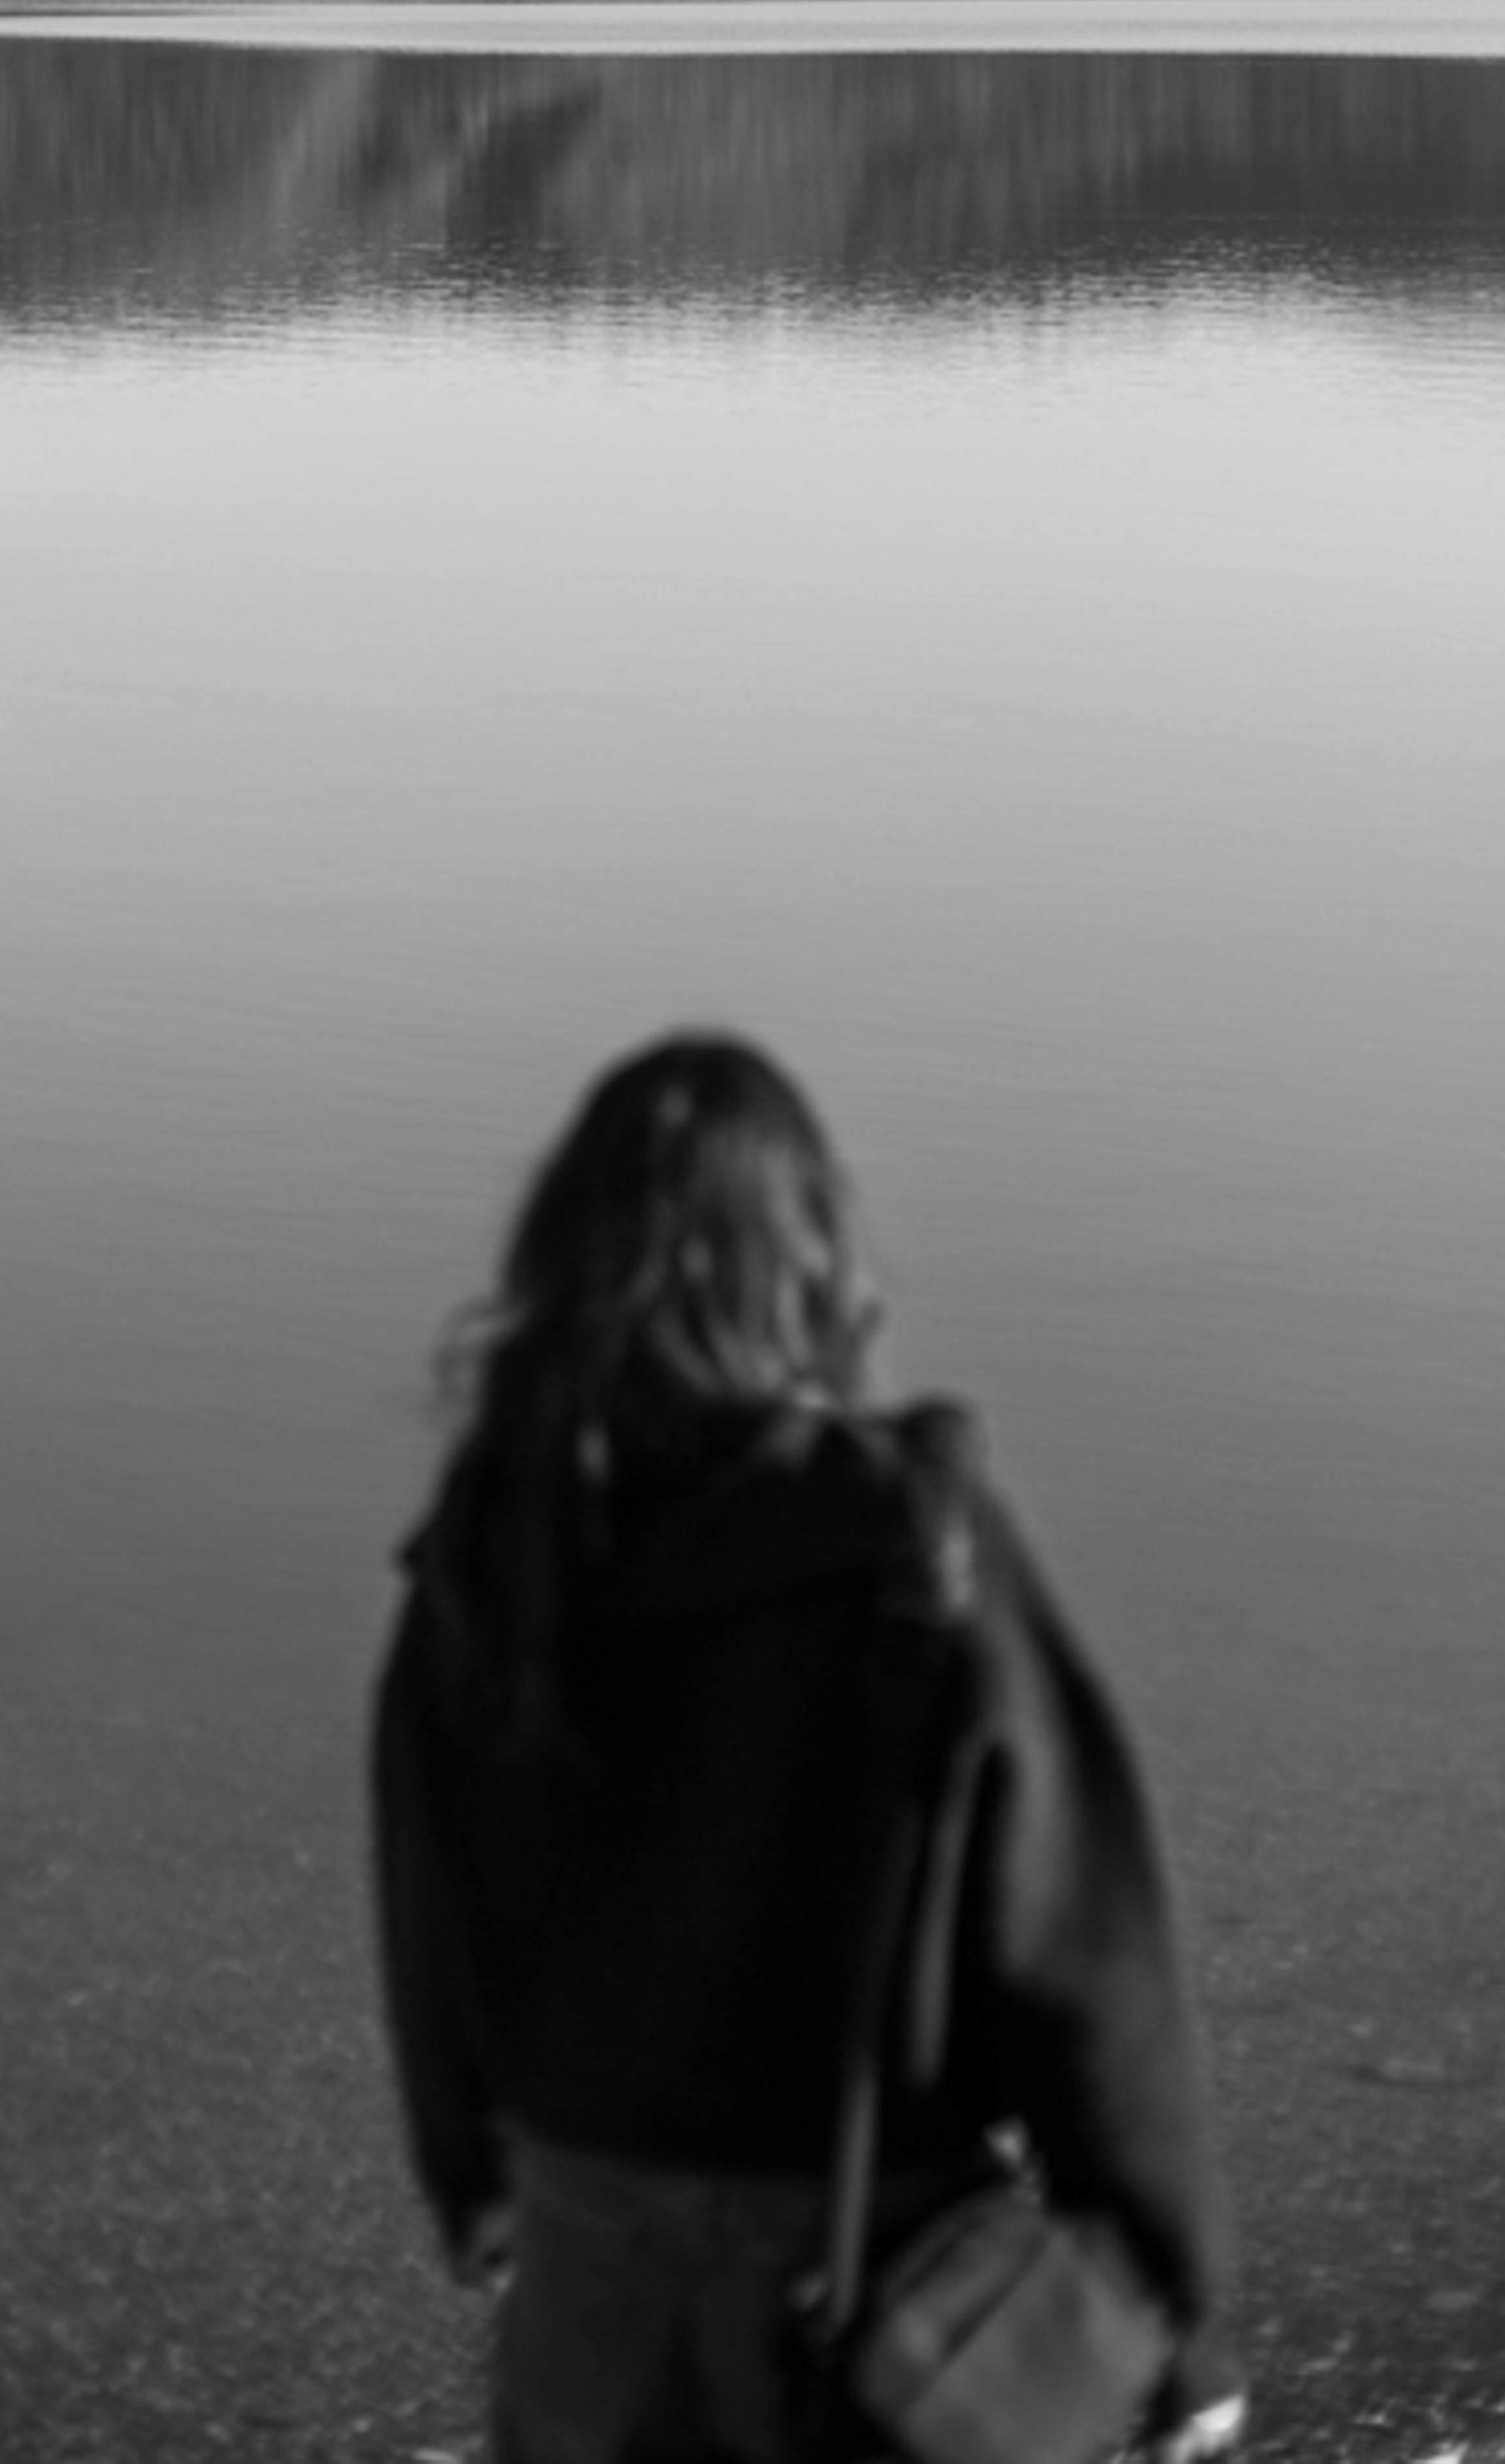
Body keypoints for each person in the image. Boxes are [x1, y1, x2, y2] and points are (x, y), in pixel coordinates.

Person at [370, 1032, 1245, 2464]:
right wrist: (1174, 2313)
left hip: (585, 2276)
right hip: (876, 2302)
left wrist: (464, 2172)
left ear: (558, 1267)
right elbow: (1083, 1965)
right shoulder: (915, 1547)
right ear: (816, 1262)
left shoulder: (491, 1551)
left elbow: (427, 1897)